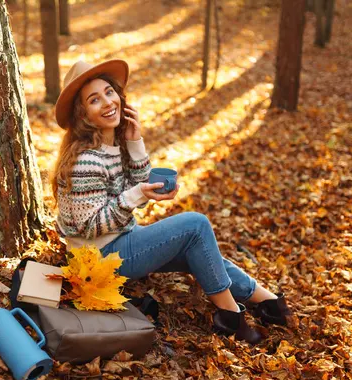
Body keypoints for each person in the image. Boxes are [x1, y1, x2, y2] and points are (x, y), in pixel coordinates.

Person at [51, 59, 292, 344]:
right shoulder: (86, 161)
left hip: (121, 240)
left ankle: (266, 301)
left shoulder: (112, 145)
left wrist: (135, 141)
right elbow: (91, 226)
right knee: (195, 224)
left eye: (109, 92)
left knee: (199, 248)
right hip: (99, 259)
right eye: (94, 100)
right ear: (83, 115)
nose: (107, 102)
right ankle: (230, 316)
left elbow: (136, 192)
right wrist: (139, 193)